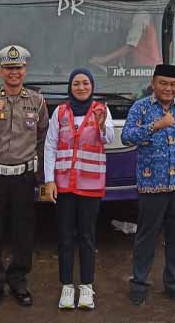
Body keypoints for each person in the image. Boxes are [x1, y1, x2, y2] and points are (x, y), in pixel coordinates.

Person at [0, 44, 49, 309]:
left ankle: (18, 281)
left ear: (24, 71)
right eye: (8, 68)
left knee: (23, 232)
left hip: (22, 178)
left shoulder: (36, 101)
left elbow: (42, 136)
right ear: (1, 71)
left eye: (17, 68)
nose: (13, 72)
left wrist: (38, 172)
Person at [121, 64, 175, 306]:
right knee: (146, 236)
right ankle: (140, 282)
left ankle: (173, 283)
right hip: (151, 185)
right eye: (163, 83)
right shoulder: (141, 108)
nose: (168, 88)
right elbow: (126, 137)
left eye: (173, 84)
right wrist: (156, 125)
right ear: (154, 83)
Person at [42, 68, 114, 310]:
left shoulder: (101, 110)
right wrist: (49, 180)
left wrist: (103, 126)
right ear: (70, 87)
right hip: (63, 186)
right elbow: (50, 146)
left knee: (87, 236)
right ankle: (66, 286)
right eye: (76, 84)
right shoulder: (60, 112)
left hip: (90, 186)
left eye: (85, 83)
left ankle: (86, 287)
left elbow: (109, 139)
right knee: (64, 237)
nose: (81, 87)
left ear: (92, 86)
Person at [89, 12, 161, 67]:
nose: (121, 17)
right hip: (142, 66)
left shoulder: (140, 16)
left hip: (147, 66)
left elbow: (130, 46)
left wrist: (103, 59)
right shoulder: (139, 16)